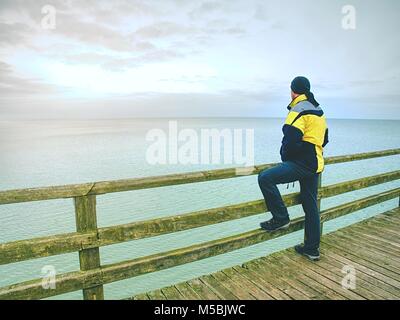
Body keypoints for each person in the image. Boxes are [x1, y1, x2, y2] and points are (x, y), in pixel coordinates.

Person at [258, 76, 329, 261]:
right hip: (316, 163)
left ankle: (281, 218)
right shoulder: (318, 110)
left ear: (293, 91)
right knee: (310, 204)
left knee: (265, 177)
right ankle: (312, 249)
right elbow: (325, 139)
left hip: (302, 164)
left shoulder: (298, 109)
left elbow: (290, 139)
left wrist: (288, 158)